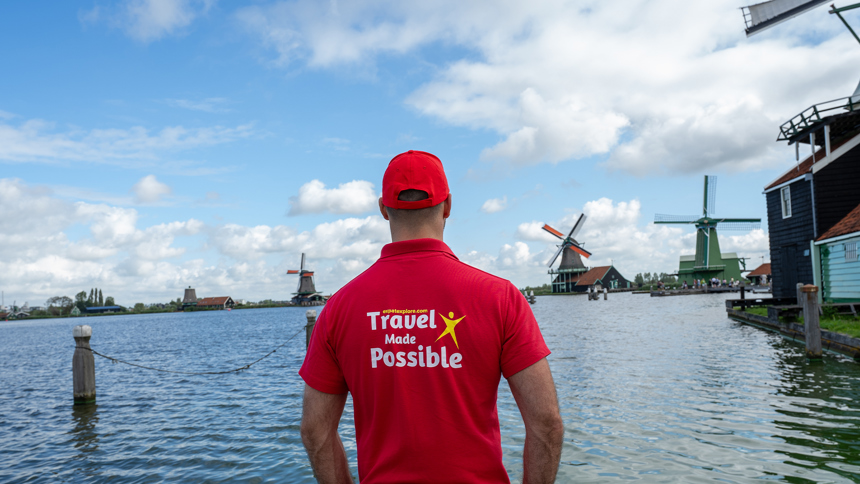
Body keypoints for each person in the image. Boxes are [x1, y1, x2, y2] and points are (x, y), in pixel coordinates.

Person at [299, 150, 564, 484]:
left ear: (383, 209)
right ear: (448, 205)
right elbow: (546, 423)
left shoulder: (340, 307)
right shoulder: (500, 297)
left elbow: (315, 430)